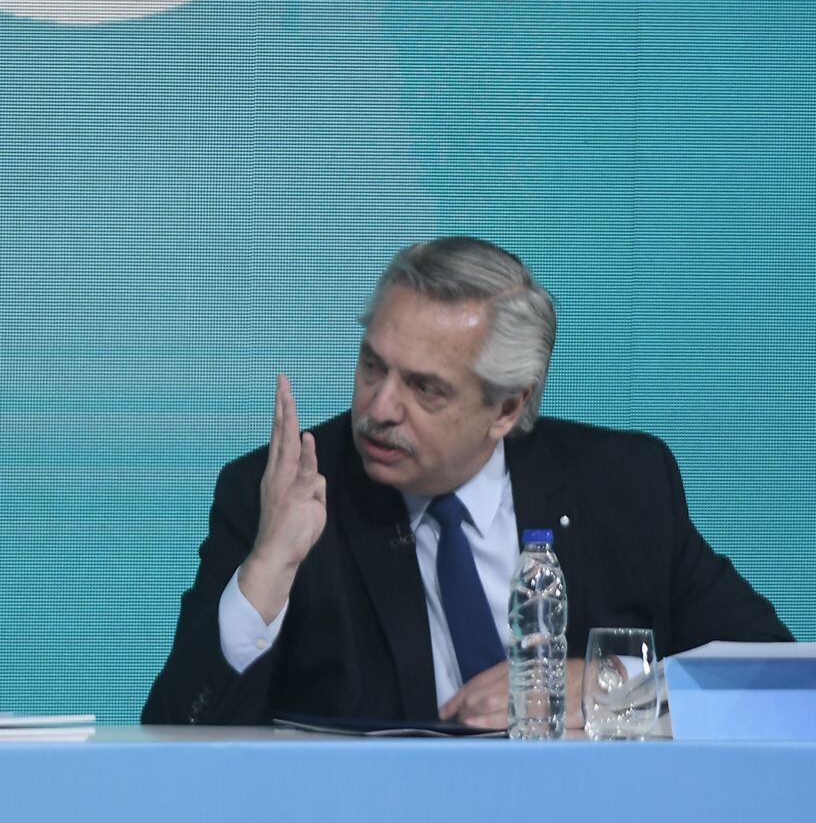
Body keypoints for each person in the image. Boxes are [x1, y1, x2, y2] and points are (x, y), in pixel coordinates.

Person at [143, 236, 790, 728]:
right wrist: (269, 568)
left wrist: (605, 688)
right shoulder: (281, 490)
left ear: (507, 407)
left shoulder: (623, 485)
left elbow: (781, 687)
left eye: (425, 388)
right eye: (373, 365)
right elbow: (175, 737)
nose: (379, 408)